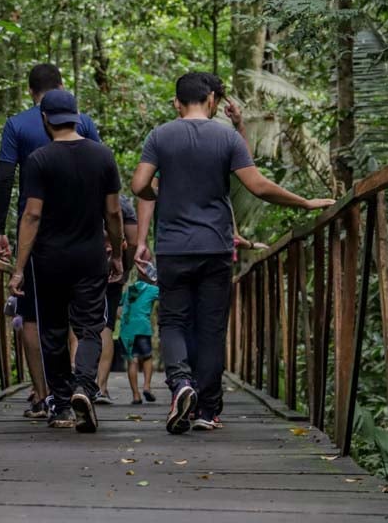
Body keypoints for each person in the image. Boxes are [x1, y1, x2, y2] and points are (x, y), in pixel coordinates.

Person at [131, 73, 334, 434]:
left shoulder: (159, 136)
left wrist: (160, 193)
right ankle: (208, 410)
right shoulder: (226, 136)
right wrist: (304, 202)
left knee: (174, 321)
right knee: (211, 329)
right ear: (211, 100)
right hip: (217, 247)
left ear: (178, 102)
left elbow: (138, 185)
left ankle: (180, 383)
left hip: (175, 248)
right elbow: (255, 183)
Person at [8, 89, 124, 432]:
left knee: (53, 330)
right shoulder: (103, 156)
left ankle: (59, 405)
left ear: (45, 119)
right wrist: (116, 253)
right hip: (90, 257)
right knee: (89, 326)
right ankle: (84, 386)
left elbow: (31, 215)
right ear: (76, 116)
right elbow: (114, 211)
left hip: (48, 260)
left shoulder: (40, 160)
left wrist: (19, 268)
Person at [0, 63, 101, 419]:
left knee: (36, 317)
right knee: (78, 318)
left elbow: (6, 177)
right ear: (62, 87)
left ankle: (45, 395)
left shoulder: (17, 125)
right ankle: (76, 390)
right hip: (83, 233)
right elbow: (100, 176)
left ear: (30, 93)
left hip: (37, 237)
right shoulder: (81, 122)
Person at [94, 195, 139, 403]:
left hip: (81, 265)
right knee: (106, 325)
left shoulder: (77, 193)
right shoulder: (122, 204)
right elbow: (133, 241)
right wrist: (124, 269)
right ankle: (100, 387)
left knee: (76, 321)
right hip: (113, 270)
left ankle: (79, 383)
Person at [119, 272, 159, 404]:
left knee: (132, 361)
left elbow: (119, 311)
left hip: (127, 331)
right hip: (142, 328)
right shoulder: (152, 289)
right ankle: (147, 387)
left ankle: (136, 396)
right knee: (147, 357)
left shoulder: (130, 290)